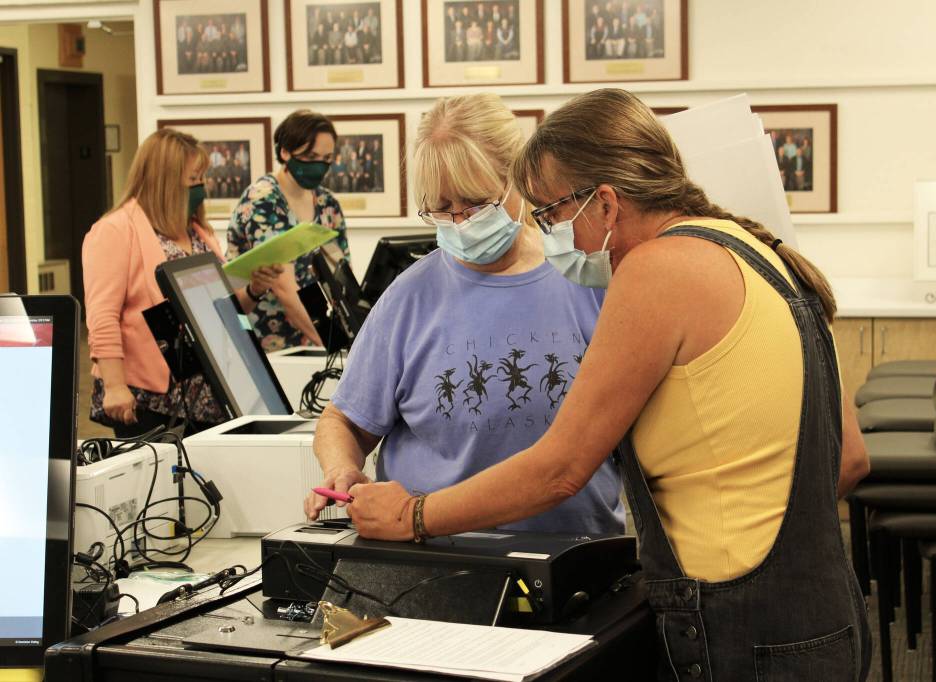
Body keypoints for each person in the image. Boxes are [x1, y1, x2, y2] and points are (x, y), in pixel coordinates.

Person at [343, 89, 872, 681]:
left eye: (549, 215)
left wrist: (413, 515)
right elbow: (850, 460)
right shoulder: (759, 250)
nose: (549, 236)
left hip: (734, 622)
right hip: (820, 609)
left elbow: (560, 468)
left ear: (606, 204)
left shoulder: (654, 269)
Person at [304, 94, 624, 536]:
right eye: (440, 208)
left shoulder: (585, 278)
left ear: (518, 182)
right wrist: (341, 467)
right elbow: (343, 419)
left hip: (572, 554)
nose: (458, 222)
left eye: (475, 203)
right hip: (434, 553)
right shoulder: (410, 297)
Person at [83, 129, 282, 438]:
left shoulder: (197, 232)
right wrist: (114, 385)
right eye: (195, 179)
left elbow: (219, 310)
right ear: (164, 180)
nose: (203, 186)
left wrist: (254, 289)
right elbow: (102, 317)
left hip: (209, 392)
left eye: (203, 177)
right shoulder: (115, 231)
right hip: (149, 397)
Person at [227, 110, 349, 352]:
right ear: (285, 152)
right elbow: (283, 286)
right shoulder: (264, 201)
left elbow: (340, 272)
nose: (319, 166)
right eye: (310, 156)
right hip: (273, 343)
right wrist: (335, 345)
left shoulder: (326, 203)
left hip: (317, 336)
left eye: (326, 158)